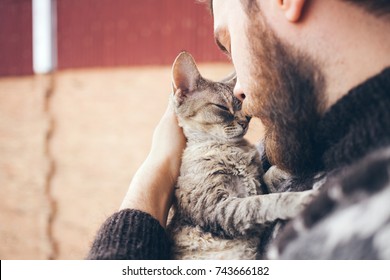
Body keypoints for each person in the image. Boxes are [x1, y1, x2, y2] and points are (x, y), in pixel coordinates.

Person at [87, 0, 390, 259]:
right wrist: (161, 167)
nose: (240, 93)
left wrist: (152, 181)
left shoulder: (353, 233)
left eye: (230, 43)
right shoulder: (300, 146)